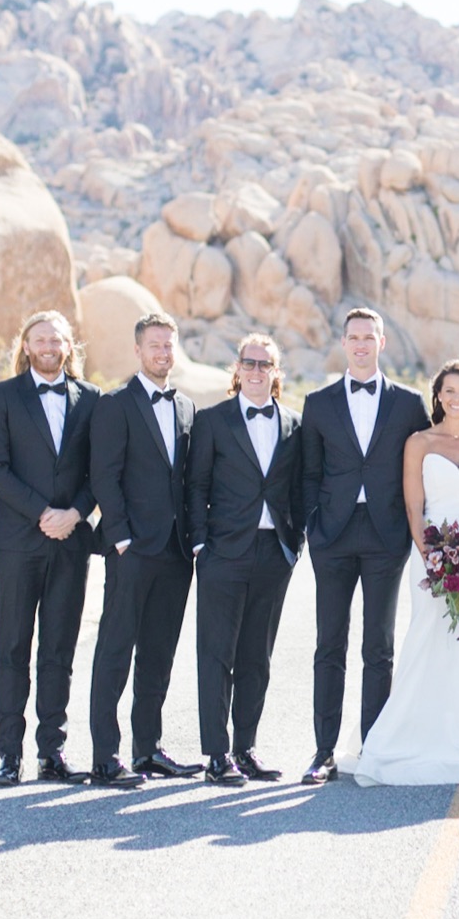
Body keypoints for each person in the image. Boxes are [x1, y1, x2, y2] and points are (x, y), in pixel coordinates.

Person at [352, 361, 459, 786]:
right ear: (437, 395)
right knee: (427, 641)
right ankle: (410, 736)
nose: (457, 398)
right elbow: (413, 507)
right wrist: (433, 559)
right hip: (430, 561)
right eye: (448, 390)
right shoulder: (418, 442)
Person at [297, 307, 431, 784]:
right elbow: (309, 473)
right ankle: (324, 751)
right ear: (342, 342)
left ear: (381, 342)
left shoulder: (410, 404)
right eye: (352, 337)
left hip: (385, 534)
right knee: (328, 644)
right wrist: (314, 528)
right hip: (331, 536)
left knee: (379, 647)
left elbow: (423, 468)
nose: (359, 344)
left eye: (367, 337)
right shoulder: (318, 403)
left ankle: (373, 747)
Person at [0, 310, 100, 787]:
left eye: (57, 339)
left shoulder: (91, 399)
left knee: (58, 650)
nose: (49, 346)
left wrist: (75, 513)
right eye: (40, 339)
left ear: (69, 347)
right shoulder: (2, 396)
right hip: (17, 543)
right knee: (12, 648)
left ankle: (53, 752)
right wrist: (41, 513)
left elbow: (101, 470)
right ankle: (9, 756)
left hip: (70, 542)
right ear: (26, 346)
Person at [187, 334, 305, 785]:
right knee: (217, 654)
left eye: (265, 364)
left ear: (277, 372)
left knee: (258, 656)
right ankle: (216, 755)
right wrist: (201, 544)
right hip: (222, 553)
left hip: (274, 553)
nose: (256, 371)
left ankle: (245, 748)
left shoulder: (294, 425)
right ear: (236, 370)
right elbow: (195, 486)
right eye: (249, 363)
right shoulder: (213, 421)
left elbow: (300, 489)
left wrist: (296, 545)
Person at [86, 313, 198, 788]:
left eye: (169, 346)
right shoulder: (115, 404)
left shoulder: (187, 407)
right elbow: (103, 476)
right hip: (131, 550)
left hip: (175, 552)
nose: (163, 353)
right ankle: (105, 756)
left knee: (158, 653)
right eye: (155, 346)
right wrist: (122, 537)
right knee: (115, 649)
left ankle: (148, 748)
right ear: (138, 350)